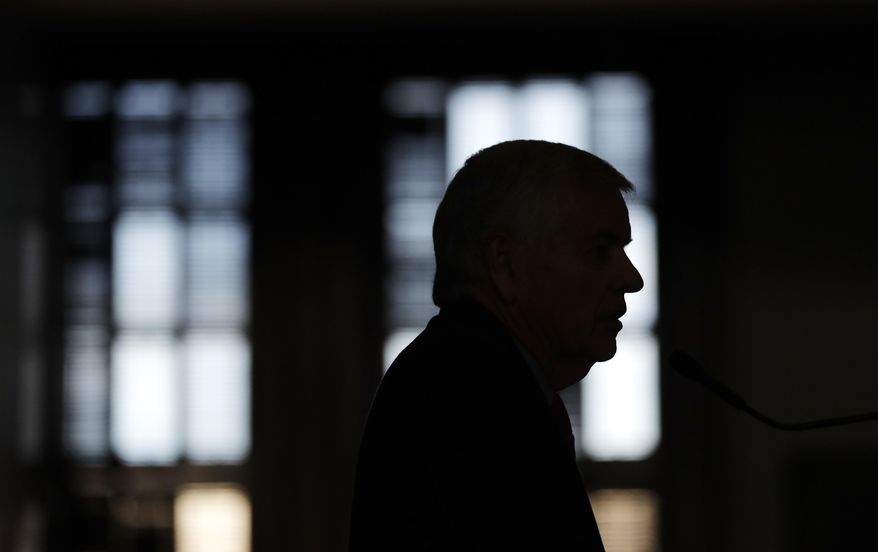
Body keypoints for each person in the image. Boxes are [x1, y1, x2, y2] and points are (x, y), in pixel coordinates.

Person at [349, 140, 644, 551]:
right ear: (504, 264)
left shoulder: (475, 376)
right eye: (600, 250)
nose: (632, 278)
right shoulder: (467, 395)